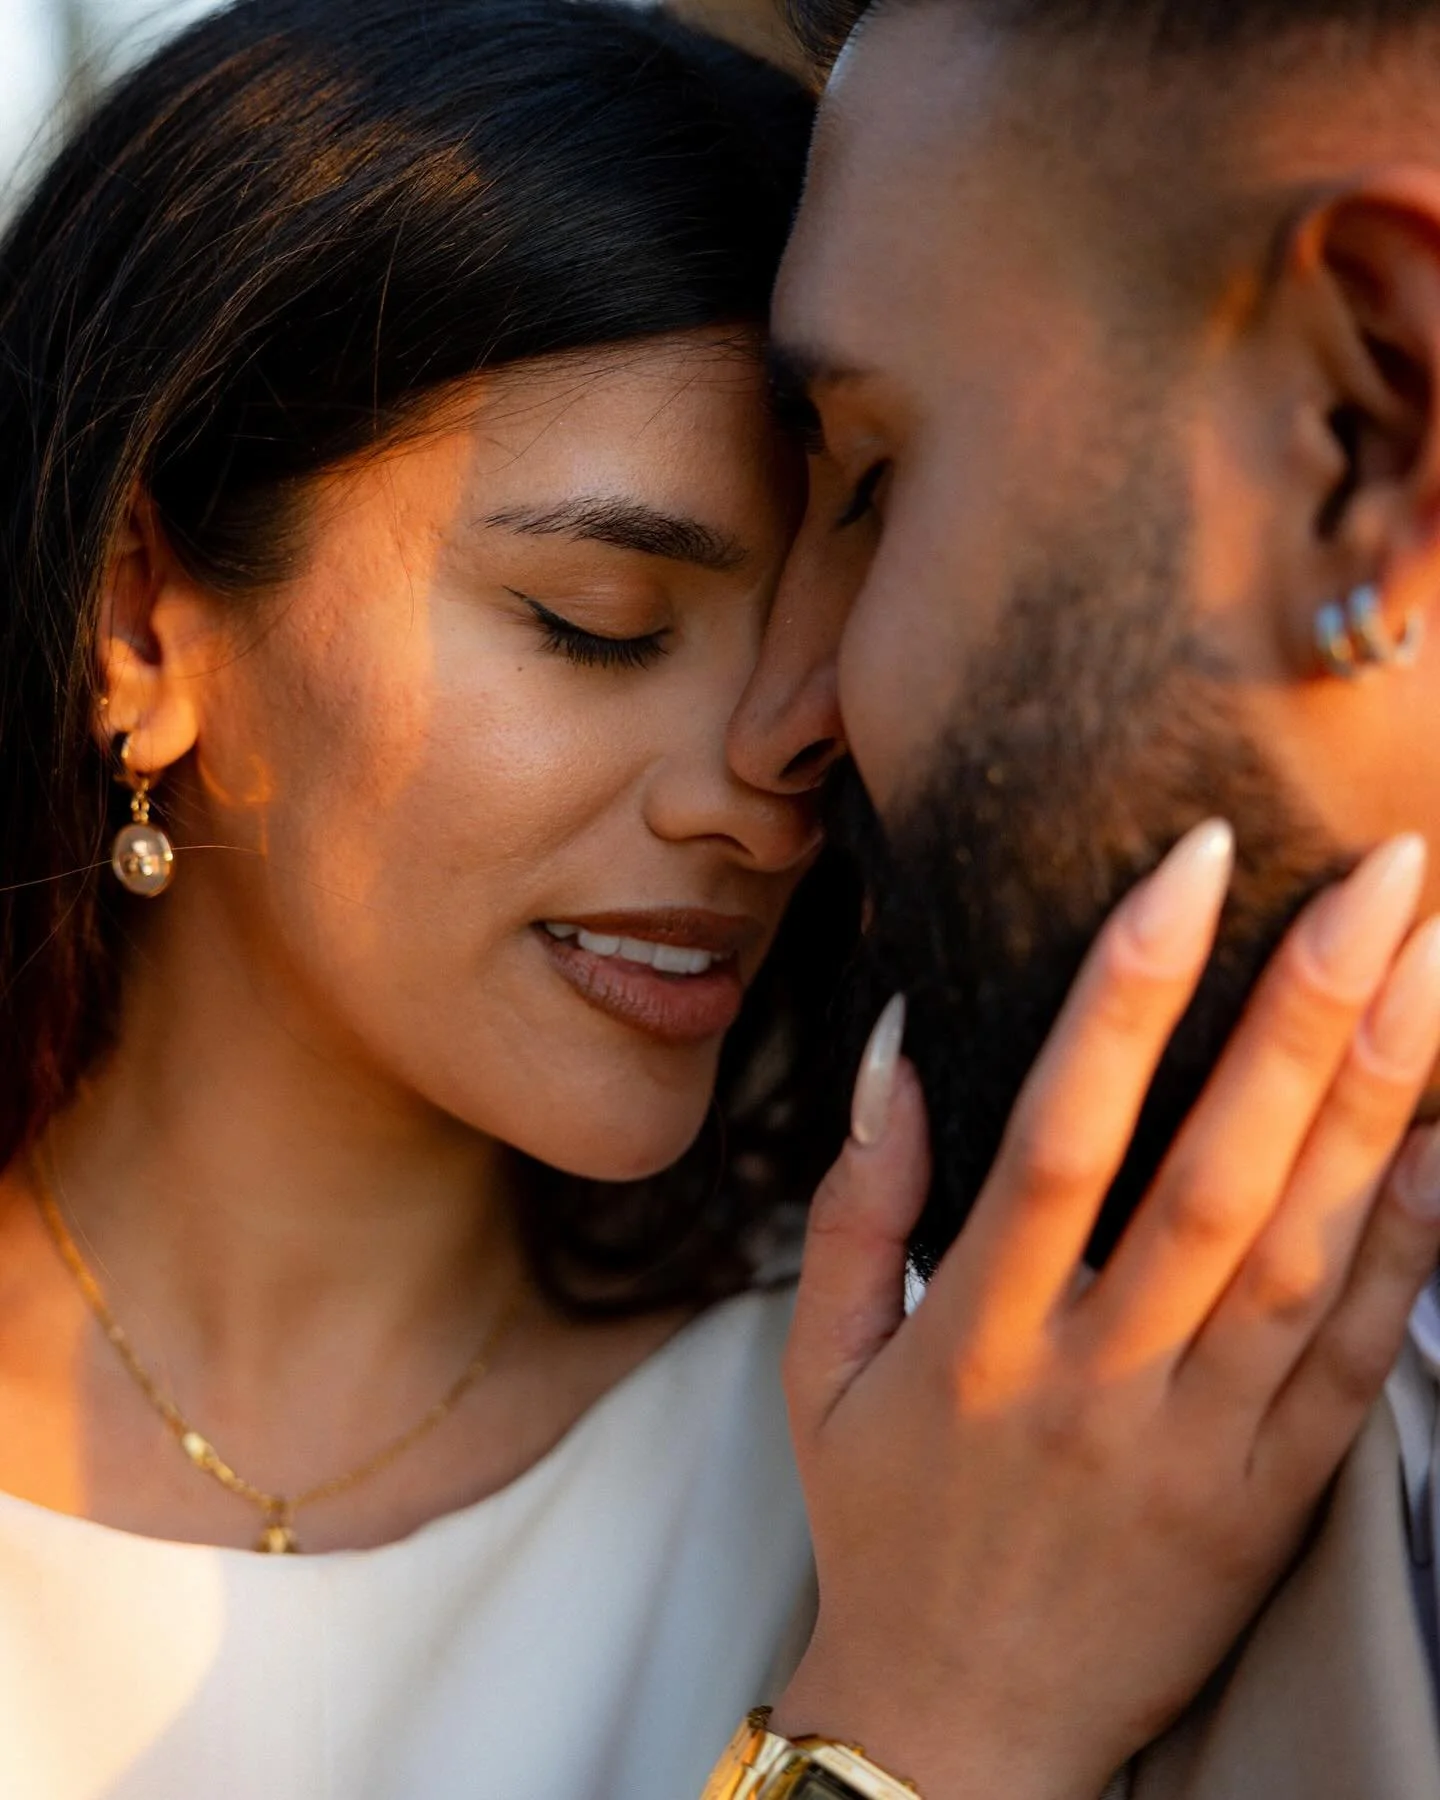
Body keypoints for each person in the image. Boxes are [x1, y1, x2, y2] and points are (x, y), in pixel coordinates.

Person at [0, 3, 1434, 1798]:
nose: (770, 780)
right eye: (601, 627)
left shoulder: (964, 1452)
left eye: (846, 610)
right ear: (144, 621)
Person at [726, 0, 1440, 1796]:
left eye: (880, 481)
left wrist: (895, 1744)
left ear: (1374, 410)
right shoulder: (1030, 1467)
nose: (790, 712)